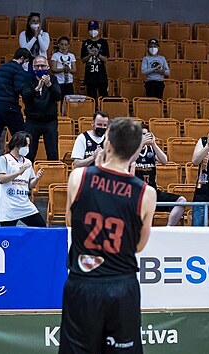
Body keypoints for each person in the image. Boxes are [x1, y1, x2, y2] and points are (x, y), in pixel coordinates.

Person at [59, 117, 157, 353]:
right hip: (121, 285)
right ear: (136, 150)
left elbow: (72, 223)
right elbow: (139, 246)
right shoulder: (146, 193)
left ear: (108, 144)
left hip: (83, 283)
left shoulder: (79, 178)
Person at [132, 125, 185, 226]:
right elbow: (130, 160)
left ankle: (168, 229)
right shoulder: (130, 150)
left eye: (146, 134)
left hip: (153, 192)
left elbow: (165, 161)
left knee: (181, 201)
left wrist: (154, 144)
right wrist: (141, 143)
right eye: (141, 135)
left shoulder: (151, 150)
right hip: (137, 193)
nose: (144, 137)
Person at [0, 131, 46, 226]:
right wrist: (18, 172)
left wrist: (37, 178)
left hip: (25, 205)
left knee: (41, 229)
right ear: (17, 145)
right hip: (9, 207)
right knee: (8, 236)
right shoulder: (4, 159)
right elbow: (1, 179)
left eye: (28, 146)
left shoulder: (28, 162)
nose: (27, 148)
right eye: (25, 145)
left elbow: (30, 184)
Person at [23, 55, 62, 162]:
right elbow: (26, 99)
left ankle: (53, 176)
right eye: (37, 66)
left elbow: (58, 96)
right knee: (28, 153)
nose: (40, 68)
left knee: (52, 152)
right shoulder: (28, 80)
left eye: (42, 66)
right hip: (32, 121)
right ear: (33, 67)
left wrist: (49, 85)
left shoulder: (53, 79)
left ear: (48, 67)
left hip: (50, 121)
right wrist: (37, 88)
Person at [81, 20, 109, 101]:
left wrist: (97, 54)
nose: (93, 31)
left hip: (101, 75)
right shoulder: (85, 43)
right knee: (91, 98)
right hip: (90, 76)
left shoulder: (103, 42)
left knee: (104, 98)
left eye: (95, 29)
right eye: (91, 29)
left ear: (98, 29)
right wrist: (90, 54)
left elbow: (105, 59)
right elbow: (83, 60)